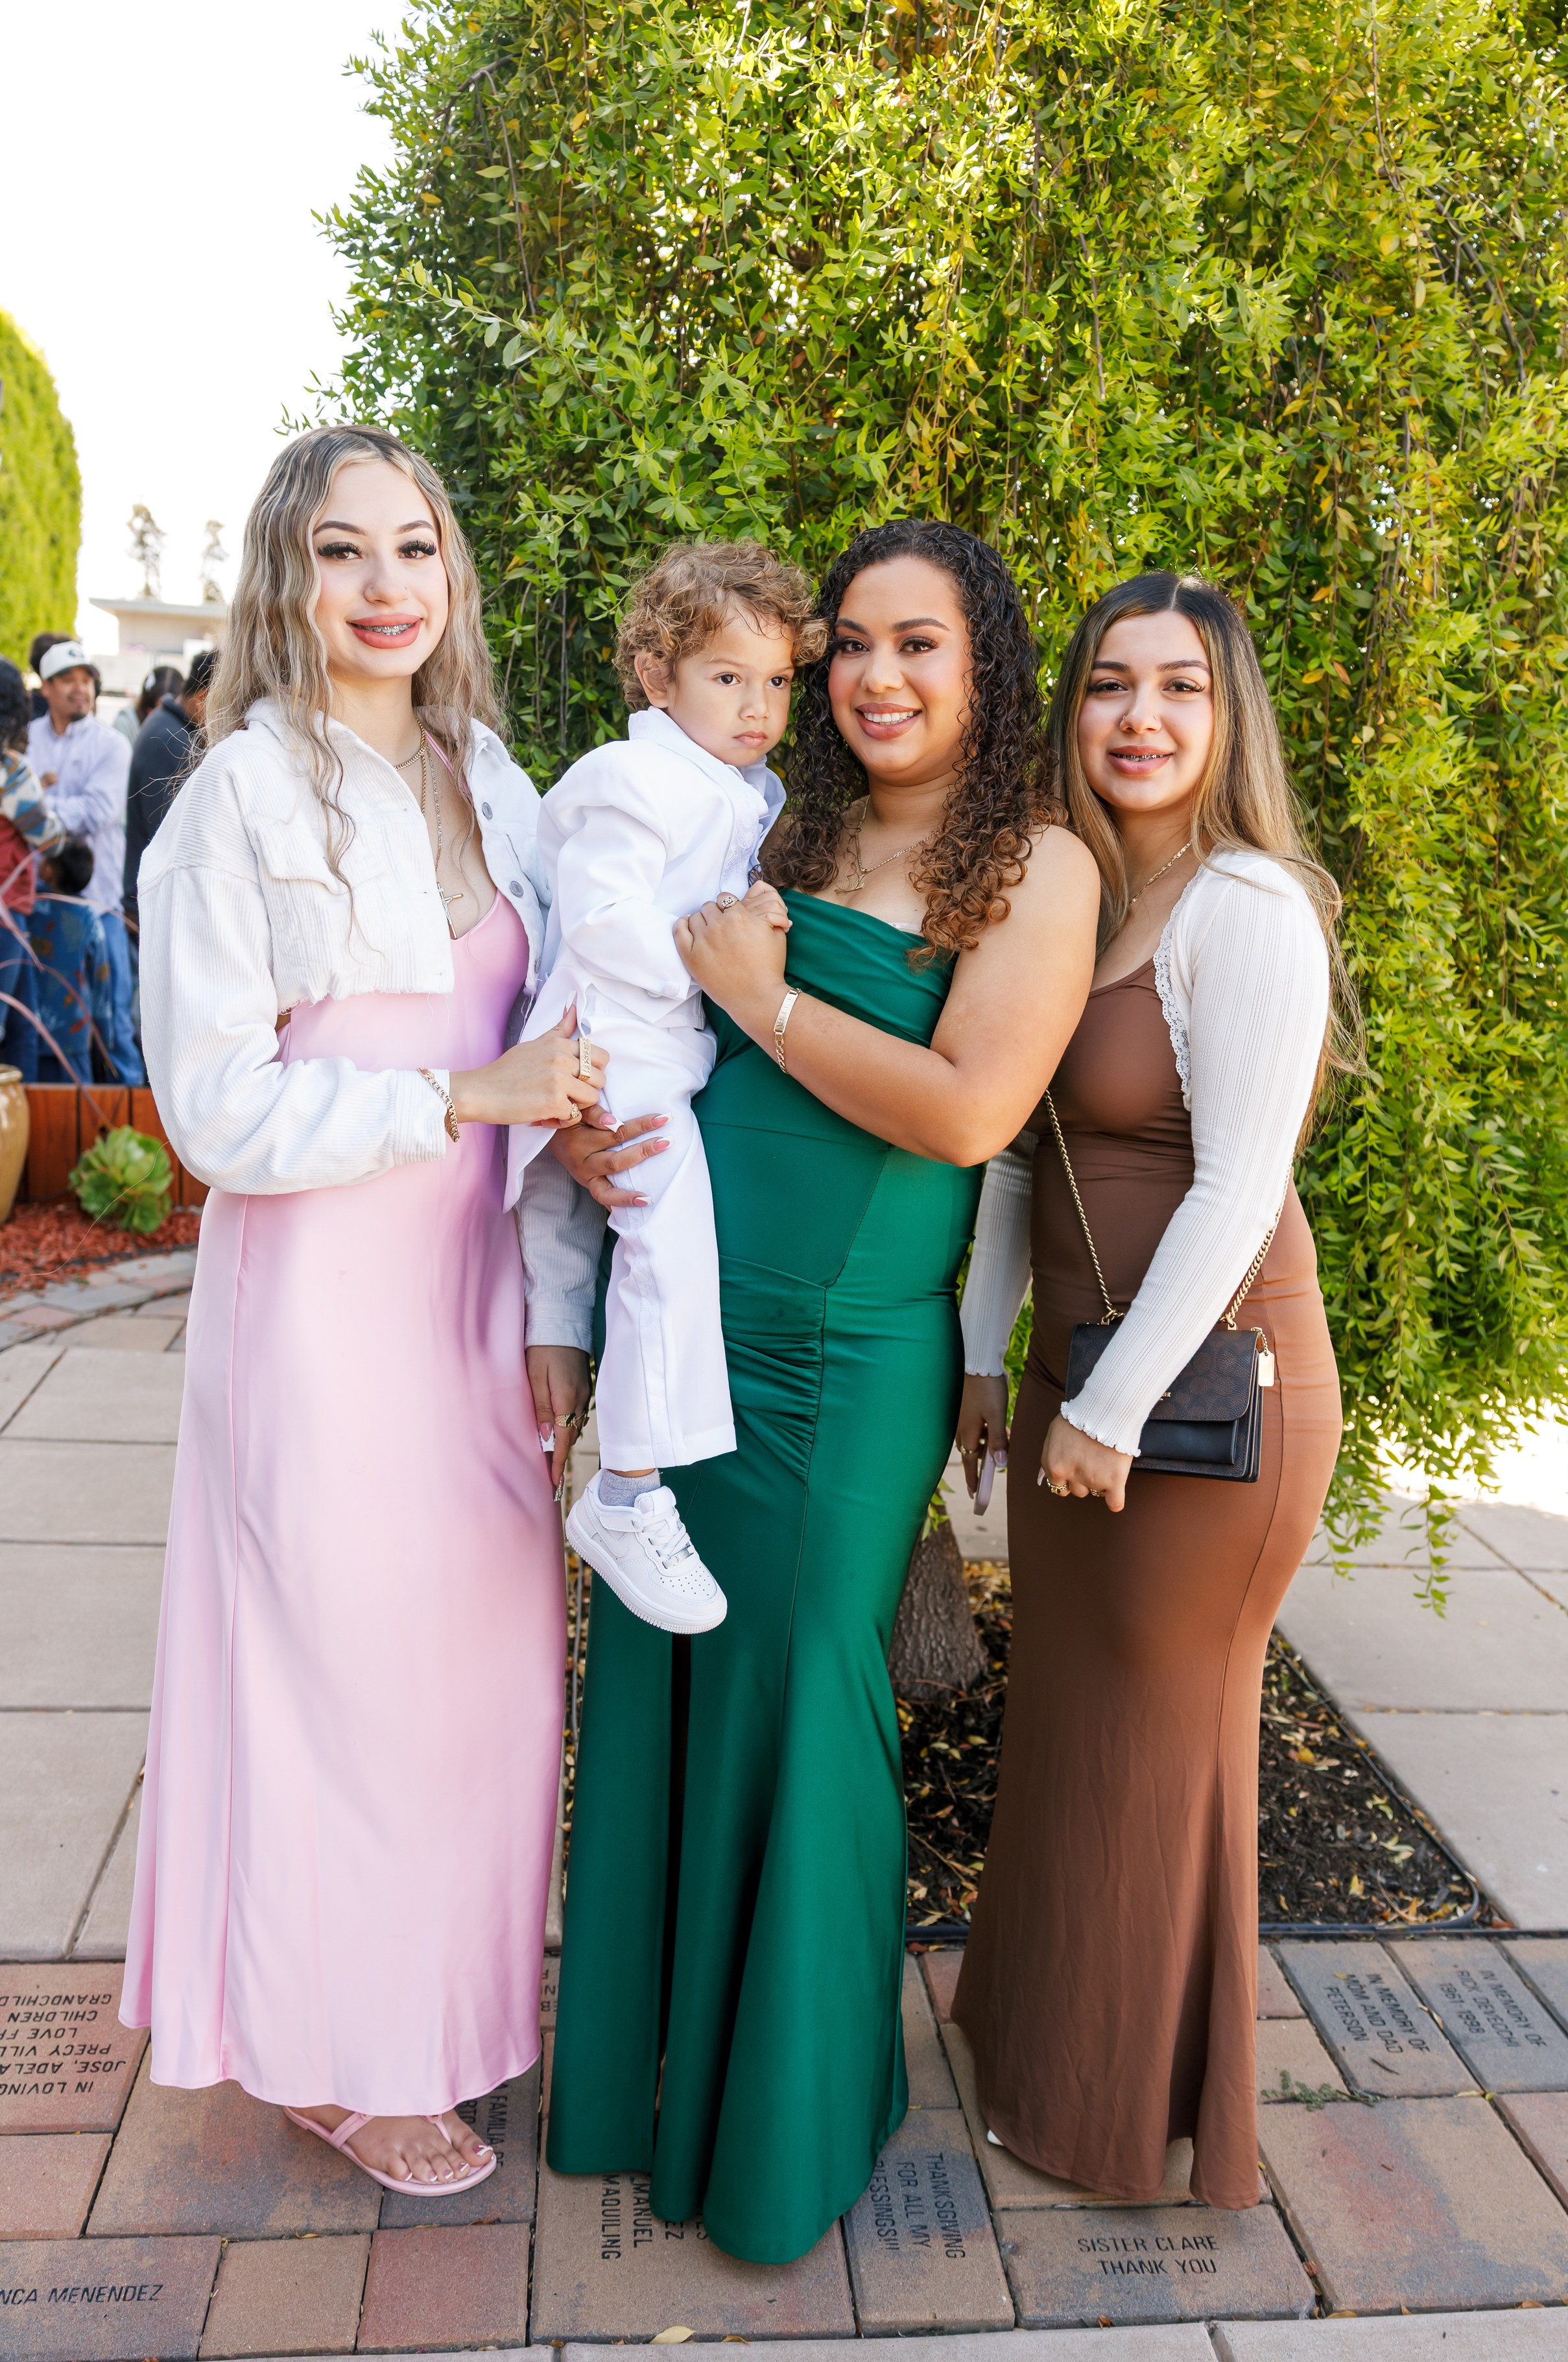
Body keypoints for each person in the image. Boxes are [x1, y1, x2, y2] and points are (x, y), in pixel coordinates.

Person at [535, 517, 1099, 2264]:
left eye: (914, 643)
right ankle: (660, 2091)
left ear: (981, 668)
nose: (870, 674)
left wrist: (763, 997)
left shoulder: (1035, 864)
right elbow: (642, 1004)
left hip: (848, 1359)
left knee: (808, 1690)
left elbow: (961, 1116)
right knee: (672, 1671)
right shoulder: (782, 817)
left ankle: (780, 2127)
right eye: (847, 642)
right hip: (685, 1326)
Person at [122, 422, 603, 2199]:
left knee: (480, 1678)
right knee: (336, 1678)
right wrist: (461, 1102)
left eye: (413, 548)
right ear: (286, 578)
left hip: (475, 1301)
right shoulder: (238, 799)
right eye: (344, 552)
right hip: (322, 1315)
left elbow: (573, 1008)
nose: (385, 586)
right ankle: (336, 2058)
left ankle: (445, 2016)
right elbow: (215, 1116)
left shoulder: (493, 775)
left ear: (451, 576)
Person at [951, 569, 1354, 2211]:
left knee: (1155, 1743)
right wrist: (991, 1356)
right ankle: (1032, 2055)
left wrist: (1106, 1411)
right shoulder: (1076, 896)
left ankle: (1116, 2122)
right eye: (1110, 685)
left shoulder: (1245, 906)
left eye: (1177, 687)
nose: (1138, 717)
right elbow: (1003, 1149)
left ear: (1225, 714)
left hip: (1206, 1411)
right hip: (1077, 1379)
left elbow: (1240, 1183)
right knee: (1072, 1724)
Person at [508, 542, 824, 1634]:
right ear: (655, 676)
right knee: (665, 1240)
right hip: (613, 1041)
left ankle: (626, 1468)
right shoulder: (633, 777)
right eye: (727, 678)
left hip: (655, 1045)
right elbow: (599, 923)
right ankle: (629, 1490)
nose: (758, 705)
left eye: (777, 680)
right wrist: (725, 956)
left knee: (637, 1236)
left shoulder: (729, 785)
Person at [27, 639, 145, 1084]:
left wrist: (37, 803)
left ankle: (132, 1135)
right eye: (67, 680)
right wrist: (48, 804)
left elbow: (97, 812)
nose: (80, 689)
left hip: (97, 908)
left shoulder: (112, 745)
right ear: (46, 689)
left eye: (86, 680)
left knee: (112, 1026)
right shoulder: (28, 736)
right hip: (32, 907)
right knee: (42, 1028)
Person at [0, 658, 65, 1079]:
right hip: (8, 913)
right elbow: (48, 837)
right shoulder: (10, 770)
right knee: (16, 1028)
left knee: (22, 1028)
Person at [125, 650, 215, 923]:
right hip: (154, 907)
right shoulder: (173, 743)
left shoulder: (168, 723)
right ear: (203, 700)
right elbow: (179, 844)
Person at [29, 837, 108, 1087]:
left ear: (49, 870)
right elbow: (102, 982)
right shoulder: (90, 918)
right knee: (76, 1117)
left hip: (31, 1034)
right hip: (75, 1038)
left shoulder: (28, 909)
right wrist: (105, 1037)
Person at [113, 662, 185, 749]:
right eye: (153, 711)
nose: (159, 717)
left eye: (167, 713)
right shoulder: (125, 726)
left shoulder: (183, 734)